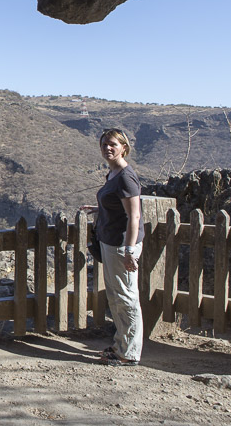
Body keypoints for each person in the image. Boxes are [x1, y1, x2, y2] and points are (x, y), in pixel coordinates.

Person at [79, 128, 143, 366]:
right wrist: (99, 209)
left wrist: (129, 251)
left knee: (125, 297)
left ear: (123, 147)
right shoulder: (113, 173)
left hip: (121, 245)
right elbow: (118, 206)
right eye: (104, 144)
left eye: (113, 144)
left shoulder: (126, 177)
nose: (107, 148)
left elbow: (134, 216)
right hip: (111, 242)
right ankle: (121, 345)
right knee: (117, 297)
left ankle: (129, 353)